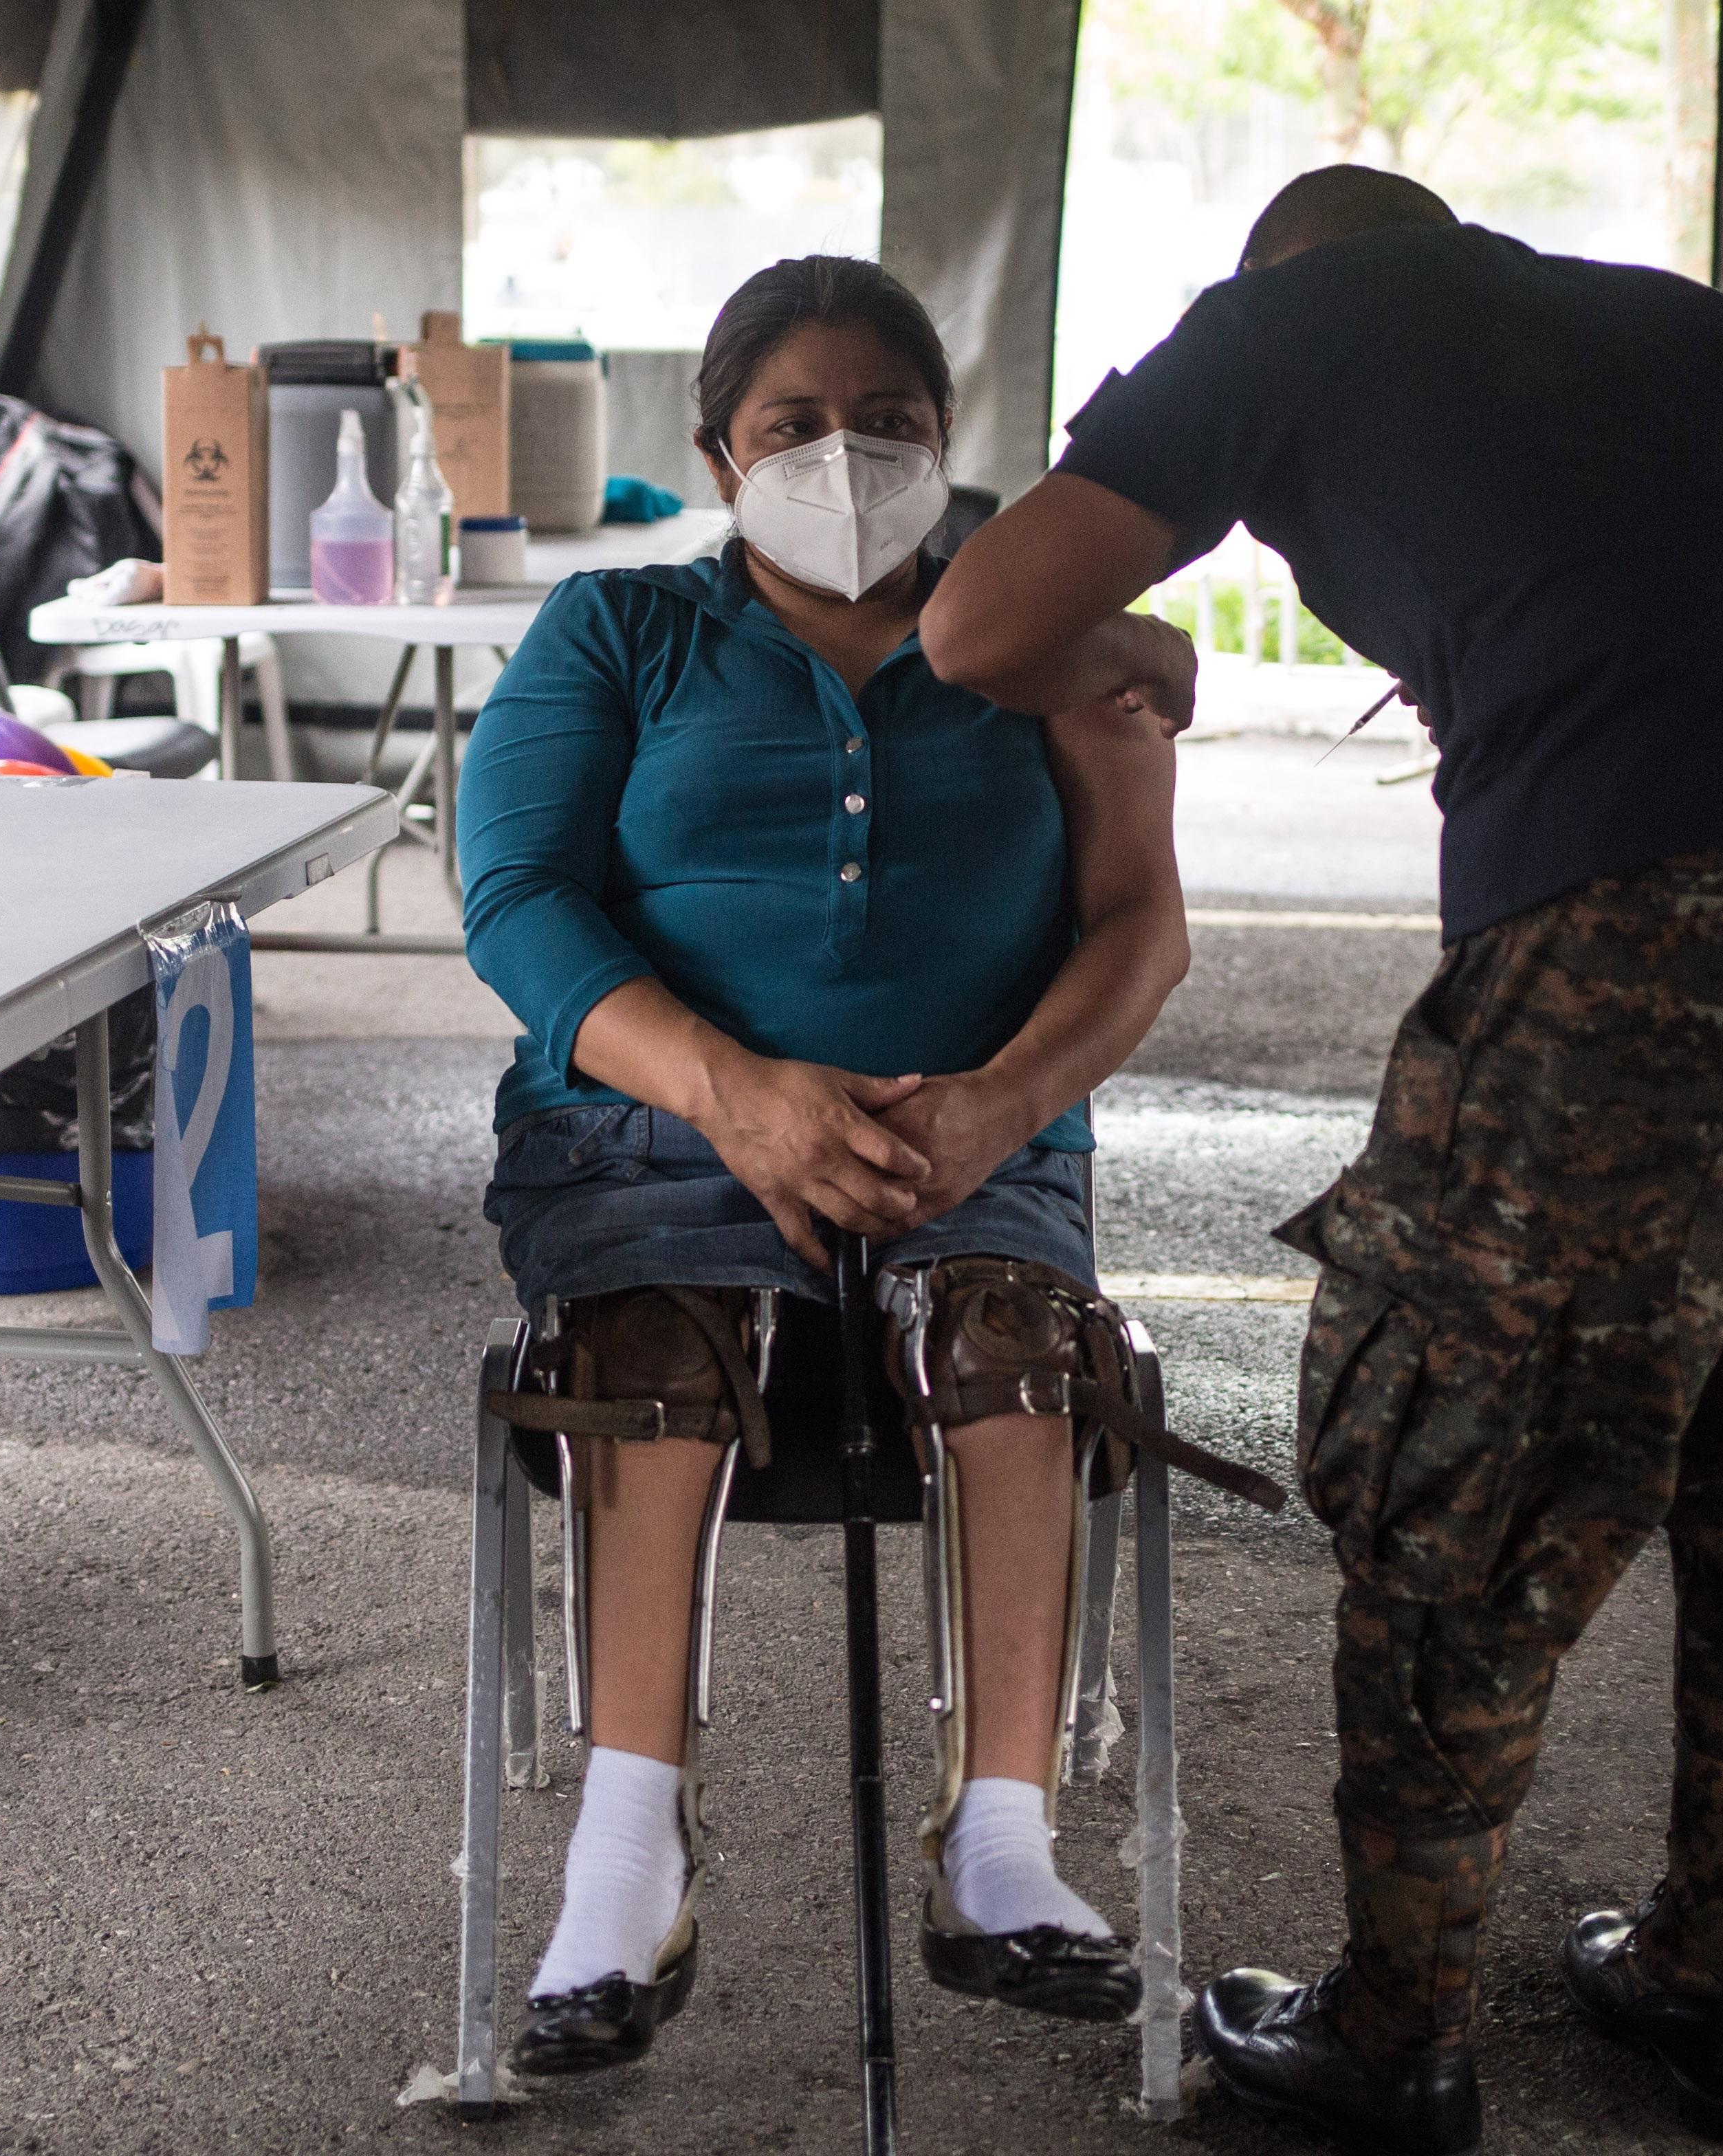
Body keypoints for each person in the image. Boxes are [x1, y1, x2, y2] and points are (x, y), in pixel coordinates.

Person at [922, 168, 1723, 2151]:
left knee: (1478, 1419)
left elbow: (978, 620)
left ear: (1284, 275)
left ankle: (1401, 2023)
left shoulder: (1283, 328)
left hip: (1648, 862)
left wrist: (1140, 647)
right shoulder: (1675, 321)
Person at [454, 255, 1264, 2079]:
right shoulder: (616, 637)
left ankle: (999, 1845)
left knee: (1015, 1349)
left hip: (968, 1141)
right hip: (647, 1136)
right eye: (794, 426)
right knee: (651, 1349)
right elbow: (516, 903)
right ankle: (622, 1852)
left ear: (950, 442)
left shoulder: (1046, 652)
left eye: (889, 423)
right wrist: (733, 1091)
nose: (845, 457)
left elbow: (1138, 926)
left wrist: (995, 1106)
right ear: (715, 450)